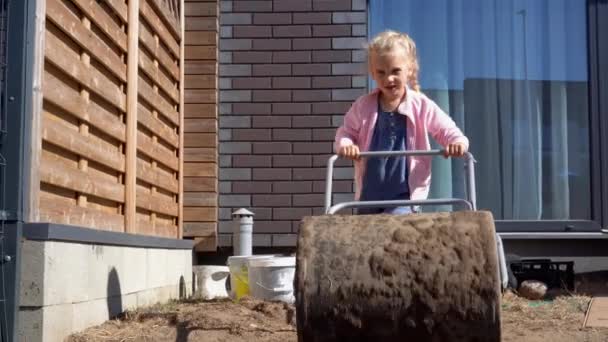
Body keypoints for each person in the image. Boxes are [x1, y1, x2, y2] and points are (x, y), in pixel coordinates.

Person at [334, 30, 469, 215]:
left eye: (395, 71)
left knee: (395, 232)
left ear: (410, 70)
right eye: (381, 72)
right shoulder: (363, 106)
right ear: (372, 73)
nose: (388, 78)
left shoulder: (421, 105)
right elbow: (346, 131)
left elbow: (448, 130)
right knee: (367, 239)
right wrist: (346, 145)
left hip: (404, 196)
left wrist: (456, 143)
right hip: (369, 194)